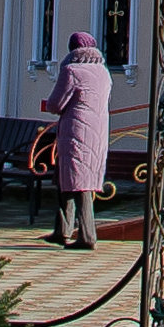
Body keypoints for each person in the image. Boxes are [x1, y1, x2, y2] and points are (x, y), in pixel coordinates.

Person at [40, 28, 112, 249]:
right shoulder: (104, 72)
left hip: (76, 130)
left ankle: (87, 236)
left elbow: (56, 103)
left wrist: (49, 105)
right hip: (98, 131)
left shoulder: (71, 70)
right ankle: (62, 230)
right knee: (70, 180)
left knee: (78, 183)